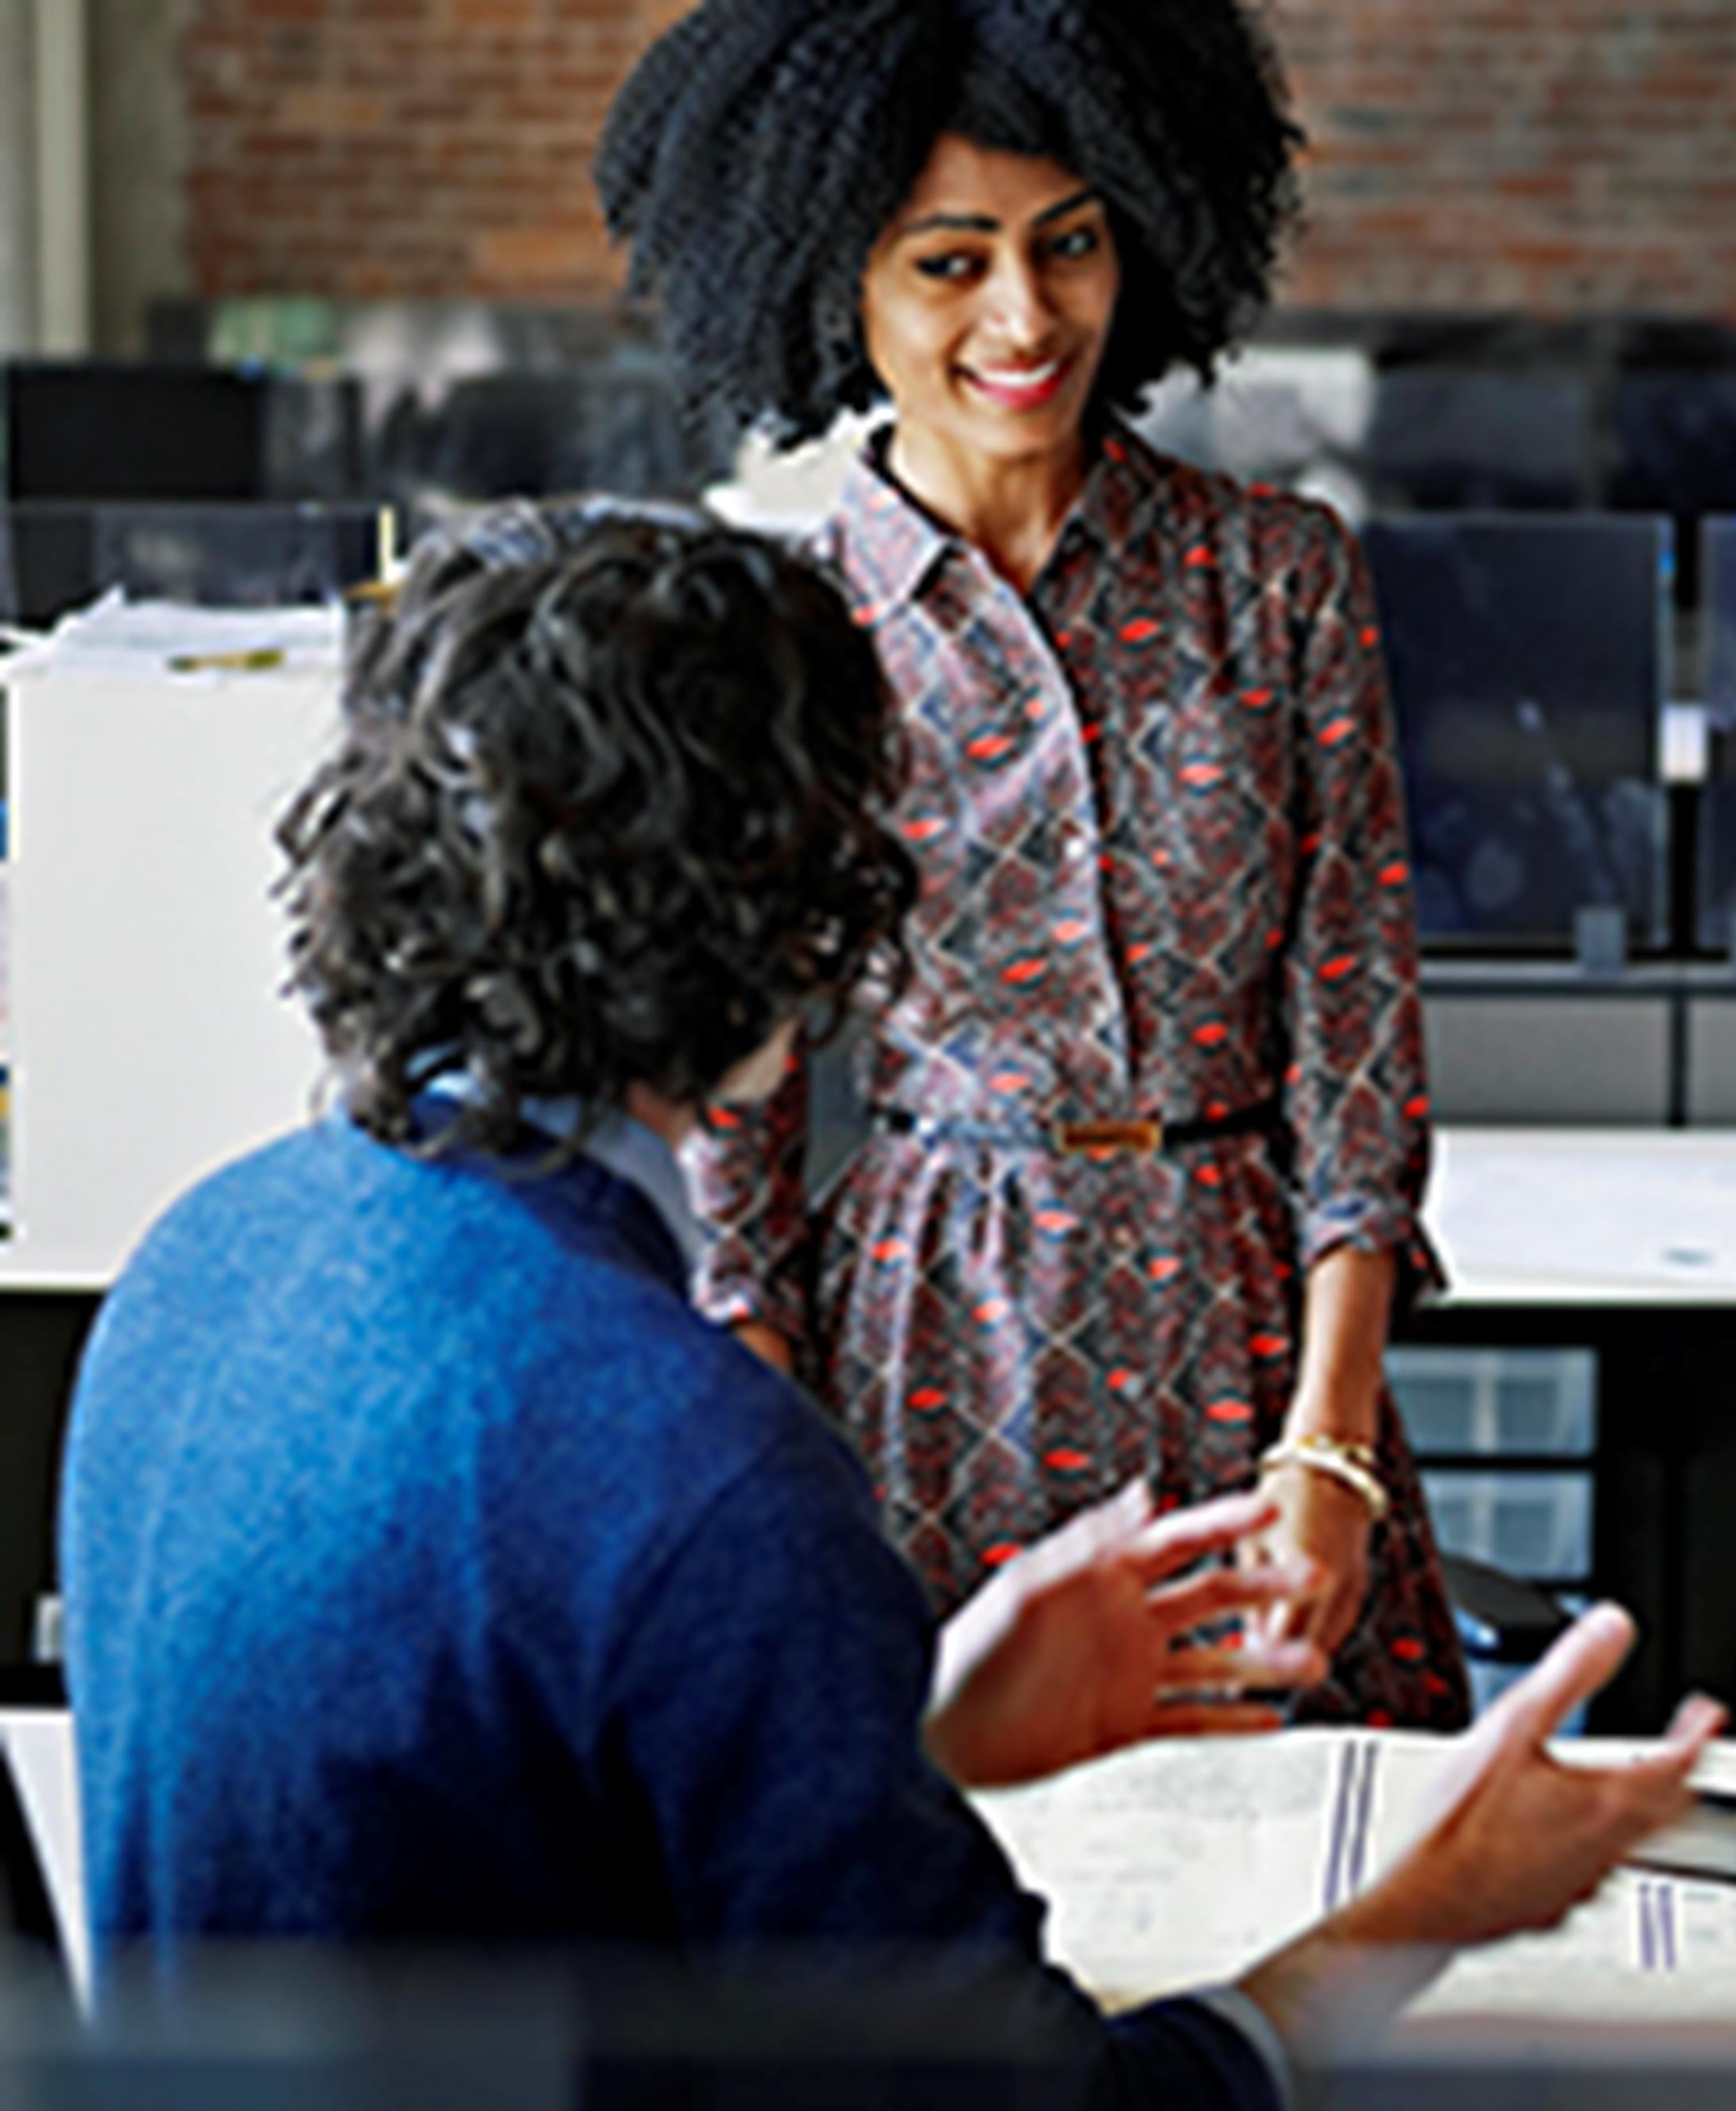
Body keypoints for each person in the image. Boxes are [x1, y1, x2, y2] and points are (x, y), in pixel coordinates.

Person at [57, 507, 1721, 2098]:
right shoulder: (697, 1465)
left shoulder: (196, 1268)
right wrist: (1424, 1910)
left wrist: (906, 1732)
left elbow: (501, 1847)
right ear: (785, 903)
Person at [594, 0, 1466, 1729]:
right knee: (947, 1892)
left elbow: (1358, 1052)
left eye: (1070, 244)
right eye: (950, 261)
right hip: (925, 1339)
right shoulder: (784, 630)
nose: (1028, 314)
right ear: (831, 278)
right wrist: (770, 1457)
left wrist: (1333, 1445)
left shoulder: (1277, 578)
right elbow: (734, 1135)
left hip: (1247, 1326)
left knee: (1307, 1886)